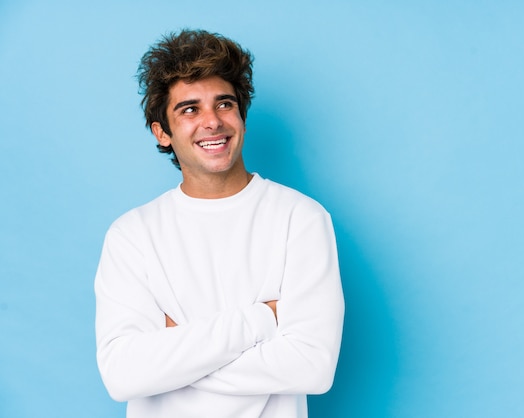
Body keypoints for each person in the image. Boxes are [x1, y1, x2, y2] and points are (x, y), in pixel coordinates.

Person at [94, 29, 344, 418]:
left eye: (224, 104)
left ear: (241, 116)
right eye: (189, 109)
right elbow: (123, 375)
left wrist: (173, 355)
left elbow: (313, 367)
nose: (212, 122)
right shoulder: (132, 235)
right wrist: (261, 318)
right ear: (162, 133)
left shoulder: (301, 219)